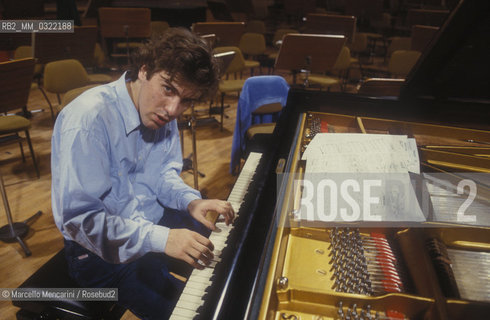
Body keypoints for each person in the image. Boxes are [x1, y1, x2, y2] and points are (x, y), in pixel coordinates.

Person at [51, 28, 234, 319]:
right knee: (193, 314)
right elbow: (82, 223)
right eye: (169, 89)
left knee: (230, 250)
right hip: (99, 255)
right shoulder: (88, 120)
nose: (174, 109)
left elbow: (162, 175)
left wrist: (191, 201)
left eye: (187, 100)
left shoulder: (162, 112)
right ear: (145, 70)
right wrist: (164, 240)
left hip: (149, 221)